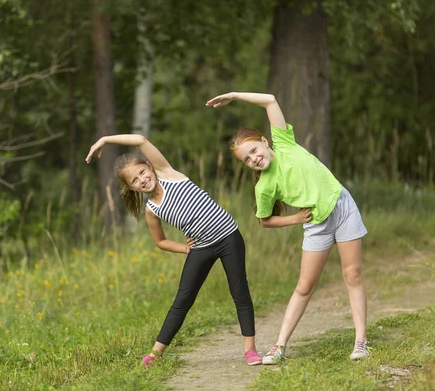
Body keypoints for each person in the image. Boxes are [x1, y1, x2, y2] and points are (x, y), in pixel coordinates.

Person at [206, 92, 369, 363]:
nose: (254, 159)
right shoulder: (264, 187)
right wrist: (294, 220)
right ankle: (279, 346)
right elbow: (264, 220)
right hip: (315, 224)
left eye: (254, 151)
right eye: (247, 160)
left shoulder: (285, 144)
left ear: (264, 141)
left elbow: (270, 100)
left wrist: (235, 96)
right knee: (305, 286)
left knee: (352, 274)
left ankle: (361, 342)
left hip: (342, 207)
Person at [85, 134, 261, 366]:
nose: (143, 180)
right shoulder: (151, 210)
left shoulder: (169, 174)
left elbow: (139, 139)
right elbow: (160, 241)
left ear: (149, 166)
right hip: (200, 247)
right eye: (135, 181)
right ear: (131, 187)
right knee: (182, 299)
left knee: (239, 292)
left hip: (229, 237)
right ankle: (155, 354)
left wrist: (105, 140)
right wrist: (184, 249)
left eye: (142, 173)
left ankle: (250, 350)